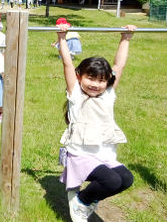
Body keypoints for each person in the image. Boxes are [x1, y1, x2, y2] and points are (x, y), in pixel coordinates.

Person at [56, 23, 136, 222]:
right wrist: (62, 39)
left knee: (126, 179)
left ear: (107, 82)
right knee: (110, 180)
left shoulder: (108, 94)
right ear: (79, 76)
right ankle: (81, 201)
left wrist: (125, 39)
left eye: (101, 80)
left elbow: (119, 66)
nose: (95, 84)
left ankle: (86, 199)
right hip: (81, 154)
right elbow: (67, 63)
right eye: (90, 78)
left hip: (104, 154)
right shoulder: (76, 93)